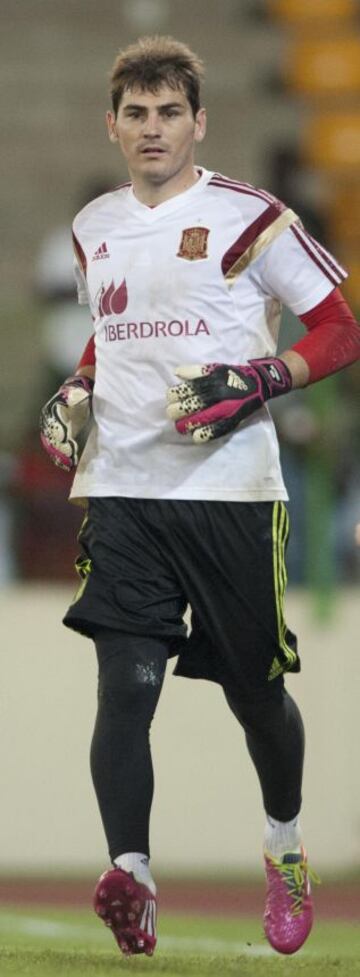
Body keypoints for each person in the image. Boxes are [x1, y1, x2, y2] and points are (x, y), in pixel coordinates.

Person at [39, 35, 360, 958]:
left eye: (168, 112)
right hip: (125, 490)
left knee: (258, 696)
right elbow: (115, 332)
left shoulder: (250, 217)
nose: (152, 128)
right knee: (125, 684)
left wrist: (262, 375)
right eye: (135, 114)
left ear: (198, 121)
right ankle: (131, 875)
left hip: (230, 494)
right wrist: (78, 387)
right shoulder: (94, 224)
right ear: (113, 125)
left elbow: (340, 328)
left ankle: (285, 846)